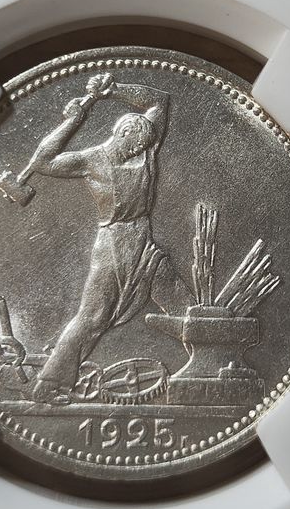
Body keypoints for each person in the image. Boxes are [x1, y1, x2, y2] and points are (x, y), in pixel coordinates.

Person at [24, 71, 189, 401]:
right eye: (137, 145)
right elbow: (42, 161)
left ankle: (206, 364)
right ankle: (49, 385)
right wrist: (72, 122)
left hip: (142, 240)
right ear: (123, 134)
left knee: (180, 300)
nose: (142, 151)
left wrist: (114, 90)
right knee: (92, 317)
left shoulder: (146, 148)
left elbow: (160, 100)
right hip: (112, 245)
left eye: (146, 146)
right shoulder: (91, 161)